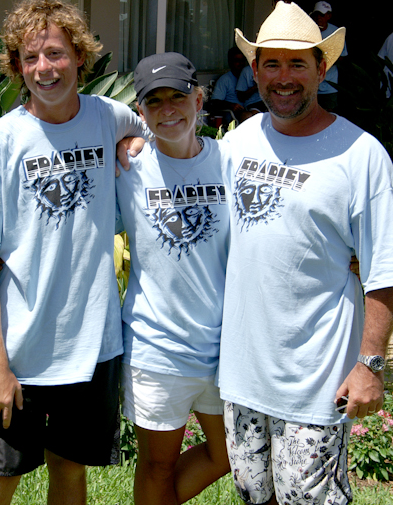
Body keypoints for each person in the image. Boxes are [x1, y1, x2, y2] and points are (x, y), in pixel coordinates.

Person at [0, 0, 146, 505]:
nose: (43, 68)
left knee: (70, 471)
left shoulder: (107, 117)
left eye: (55, 53)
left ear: (80, 56)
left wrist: (132, 144)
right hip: (18, 353)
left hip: (91, 348)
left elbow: (144, 131)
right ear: (17, 66)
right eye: (30, 58)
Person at [217, 0, 393, 505]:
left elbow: (385, 270)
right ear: (255, 70)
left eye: (298, 63)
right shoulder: (237, 144)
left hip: (314, 381)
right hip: (242, 376)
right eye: (272, 64)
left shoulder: (361, 155)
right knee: (254, 496)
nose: (284, 78)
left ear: (322, 69)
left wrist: (370, 364)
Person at [116, 52, 231, 505]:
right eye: (154, 101)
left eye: (178, 97)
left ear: (199, 99)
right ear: (140, 112)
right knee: (157, 465)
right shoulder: (127, 170)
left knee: (228, 455)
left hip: (226, 347)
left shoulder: (231, 161)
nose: (168, 109)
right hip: (157, 347)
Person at [310, 1, 347, 113]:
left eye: (321, 15)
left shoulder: (336, 32)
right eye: (316, 14)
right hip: (312, 85)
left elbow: (343, 56)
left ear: (328, 16)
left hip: (329, 85)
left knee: (329, 115)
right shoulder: (309, 31)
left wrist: (327, 60)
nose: (318, 18)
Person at [208, 47, 247, 125]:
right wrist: (231, 105)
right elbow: (214, 102)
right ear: (230, 62)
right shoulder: (225, 80)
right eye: (237, 61)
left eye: (242, 61)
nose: (240, 64)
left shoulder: (248, 77)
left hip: (250, 110)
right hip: (234, 116)